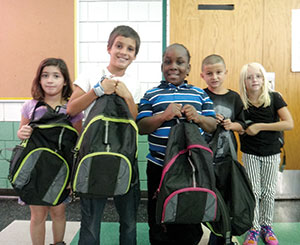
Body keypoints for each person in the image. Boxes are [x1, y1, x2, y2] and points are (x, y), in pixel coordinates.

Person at [67, 25, 141, 245]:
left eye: (130, 48)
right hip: (93, 155)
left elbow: (135, 118)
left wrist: (127, 95)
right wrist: (99, 90)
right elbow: (71, 109)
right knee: (90, 221)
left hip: (125, 155)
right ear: (109, 48)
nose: (123, 52)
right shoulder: (90, 74)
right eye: (119, 46)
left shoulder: (135, 83)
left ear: (134, 56)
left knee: (129, 221)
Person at [137, 43, 217, 245]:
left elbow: (212, 125)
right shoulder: (150, 95)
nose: (173, 66)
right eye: (168, 62)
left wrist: (198, 118)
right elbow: (142, 126)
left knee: (188, 216)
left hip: (190, 168)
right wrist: (163, 116)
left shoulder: (200, 94)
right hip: (158, 167)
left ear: (189, 68)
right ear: (162, 66)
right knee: (159, 216)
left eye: (180, 62)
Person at [17, 58, 83, 245]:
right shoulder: (30, 106)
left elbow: (77, 144)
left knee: (58, 211)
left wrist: (72, 177)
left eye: (56, 76)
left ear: (64, 81)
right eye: (45, 75)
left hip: (61, 170)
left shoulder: (72, 109)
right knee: (37, 214)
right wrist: (22, 132)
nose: (50, 80)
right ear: (39, 80)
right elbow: (22, 136)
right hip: (35, 169)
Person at [239, 62, 294, 245]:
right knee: (253, 191)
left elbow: (288, 123)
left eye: (258, 76)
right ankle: (253, 229)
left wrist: (260, 127)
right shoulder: (241, 102)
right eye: (249, 77)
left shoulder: (274, 98)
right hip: (250, 153)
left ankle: (267, 226)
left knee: (269, 191)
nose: (254, 80)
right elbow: (239, 125)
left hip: (271, 152)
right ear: (244, 81)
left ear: (264, 79)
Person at [200, 54, 245, 245]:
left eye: (218, 72)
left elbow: (243, 126)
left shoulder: (234, 97)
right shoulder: (200, 95)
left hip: (228, 158)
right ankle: (213, 234)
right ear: (202, 75)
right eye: (209, 73)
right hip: (206, 159)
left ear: (226, 73)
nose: (214, 77)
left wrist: (230, 124)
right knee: (210, 197)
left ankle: (226, 235)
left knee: (228, 197)